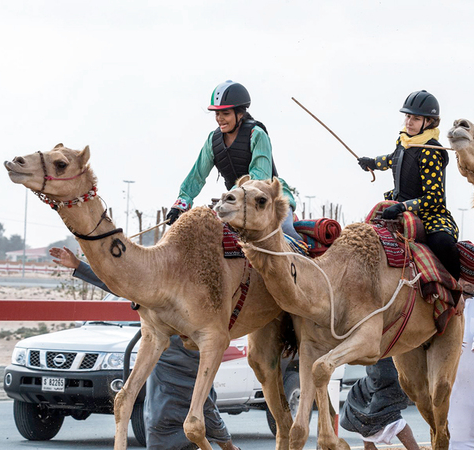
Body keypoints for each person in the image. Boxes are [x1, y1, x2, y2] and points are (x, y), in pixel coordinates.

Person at [49, 246, 240, 450]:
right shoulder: (155, 289)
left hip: (192, 363)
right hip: (163, 371)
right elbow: (117, 284)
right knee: (159, 421)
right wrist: (78, 265)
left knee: (202, 410)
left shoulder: (201, 295)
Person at [166, 80, 300, 241]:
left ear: (240, 113)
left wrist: (230, 197)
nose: (220, 119)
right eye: (217, 114)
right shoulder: (212, 140)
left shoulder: (257, 135)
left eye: (226, 113)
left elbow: (259, 177)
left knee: (286, 234)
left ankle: (304, 260)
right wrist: (181, 203)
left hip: (269, 202)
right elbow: (197, 175)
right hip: (237, 205)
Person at [357, 90, 461, 279]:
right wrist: (373, 163)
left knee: (442, 244)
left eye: (416, 118)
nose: (409, 122)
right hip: (397, 207)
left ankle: (456, 291)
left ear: (428, 121)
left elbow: (434, 198)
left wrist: (402, 206)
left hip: (428, 215)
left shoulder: (430, 151)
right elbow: (393, 159)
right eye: (407, 116)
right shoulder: (404, 140)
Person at [339, 357, 421, 450]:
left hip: (388, 377)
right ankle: (369, 446)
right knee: (358, 396)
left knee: (391, 416)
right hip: (375, 376)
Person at [447, 281, 474, 449]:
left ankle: (472, 444)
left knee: (472, 404)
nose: (468, 284)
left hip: (472, 361)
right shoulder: (449, 300)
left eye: (473, 282)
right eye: (464, 280)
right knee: (450, 400)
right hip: (450, 361)